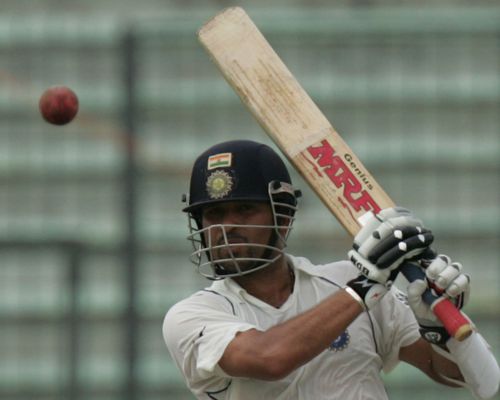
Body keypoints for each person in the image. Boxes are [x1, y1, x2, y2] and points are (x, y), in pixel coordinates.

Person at [163, 139, 499, 400]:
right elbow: (270, 359)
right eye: (213, 214)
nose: (227, 227)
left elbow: (457, 375)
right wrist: (365, 288)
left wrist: (438, 332)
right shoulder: (193, 316)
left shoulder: (344, 283)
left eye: (244, 209)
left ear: (283, 217)